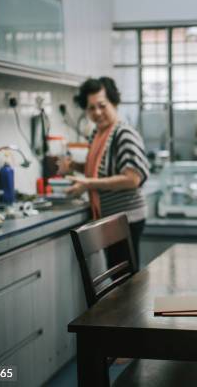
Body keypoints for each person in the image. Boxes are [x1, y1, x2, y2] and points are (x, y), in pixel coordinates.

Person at [58, 77, 150, 268]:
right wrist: (73, 166)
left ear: (114, 102)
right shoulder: (98, 134)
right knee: (119, 278)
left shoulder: (123, 134)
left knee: (125, 283)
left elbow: (132, 179)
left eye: (102, 105)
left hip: (126, 218)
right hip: (111, 218)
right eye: (91, 108)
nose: (97, 112)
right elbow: (101, 170)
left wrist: (88, 184)